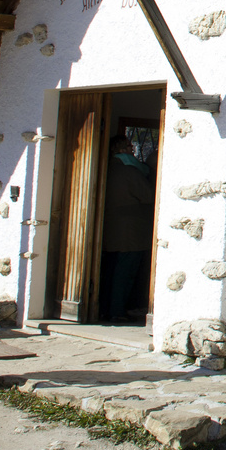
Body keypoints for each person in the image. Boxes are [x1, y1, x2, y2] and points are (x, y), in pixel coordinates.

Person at [99, 132, 154, 323]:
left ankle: (107, 309)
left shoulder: (106, 169)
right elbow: (148, 196)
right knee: (124, 274)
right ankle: (117, 310)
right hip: (131, 233)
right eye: (130, 148)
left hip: (112, 232)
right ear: (122, 150)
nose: (133, 151)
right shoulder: (130, 171)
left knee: (111, 272)